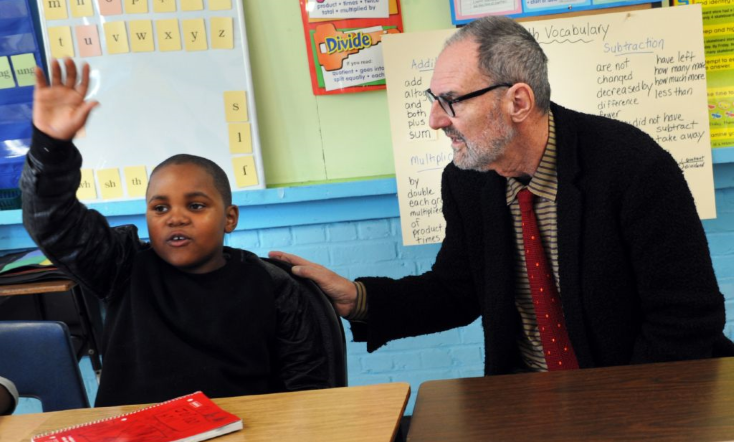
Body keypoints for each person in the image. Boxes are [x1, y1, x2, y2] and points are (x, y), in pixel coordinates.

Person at [270, 15, 734, 374]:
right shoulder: (468, 178)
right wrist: (359, 298)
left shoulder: (633, 166)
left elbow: (686, 320)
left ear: (517, 102)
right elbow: (457, 291)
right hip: (528, 395)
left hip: (638, 393)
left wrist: (612, 412)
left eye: (450, 101)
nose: (434, 119)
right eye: (432, 99)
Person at [21, 59, 330, 406]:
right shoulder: (121, 266)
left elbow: (308, 392)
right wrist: (50, 146)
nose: (175, 218)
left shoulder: (274, 287)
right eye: (160, 208)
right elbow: (52, 221)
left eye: (196, 206)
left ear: (229, 218)